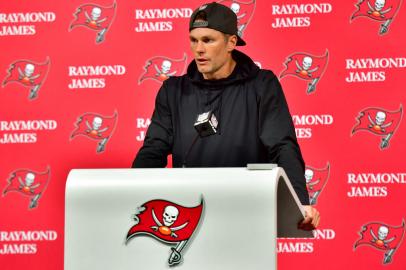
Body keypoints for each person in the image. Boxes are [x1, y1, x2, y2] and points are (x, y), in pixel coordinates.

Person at [132, 2, 320, 230]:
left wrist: (298, 203)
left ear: (231, 42)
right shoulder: (173, 91)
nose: (199, 49)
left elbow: (283, 146)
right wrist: (132, 199)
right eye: (194, 40)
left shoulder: (262, 85)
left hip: (248, 217)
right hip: (188, 217)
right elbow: (153, 151)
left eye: (208, 40)